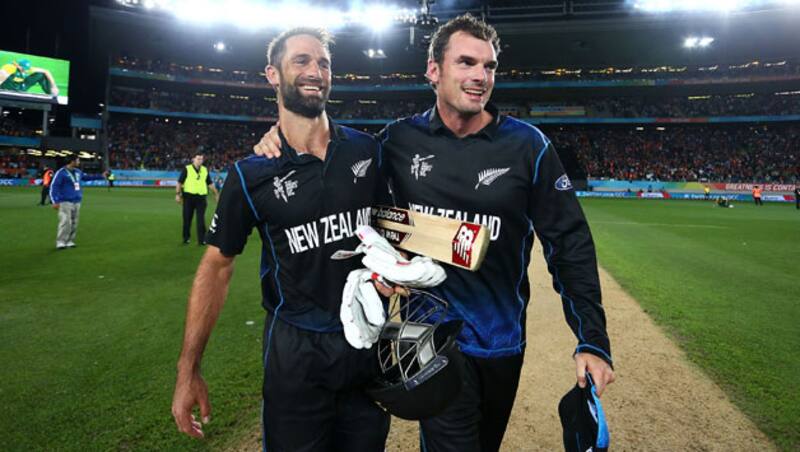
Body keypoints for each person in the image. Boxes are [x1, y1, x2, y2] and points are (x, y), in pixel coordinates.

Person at [254, 14, 615, 452]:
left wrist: (592, 338)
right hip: (433, 341)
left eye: (490, 66)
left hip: (502, 341)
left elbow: (569, 242)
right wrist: (281, 138)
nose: (481, 76)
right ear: (433, 70)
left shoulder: (528, 147)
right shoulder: (396, 142)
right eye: (466, 63)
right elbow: (342, 188)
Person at [171, 28, 392, 451]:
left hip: (365, 351)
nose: (315, 71)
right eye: (302, 61)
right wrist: (188, 369)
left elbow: (398, 227)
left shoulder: (369, 151)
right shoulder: (251, 175)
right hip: (295, 356)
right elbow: (216, 266)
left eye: (324, 63)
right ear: (272, 74)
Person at [175, 154, 219, 245]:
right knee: (187, 219)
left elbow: (210, 183)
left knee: (201, 219)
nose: (200, 160)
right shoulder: (187, 169)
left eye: (202, 159)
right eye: (198, 159)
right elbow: (179, 182)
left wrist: (216, 194)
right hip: (188, 198)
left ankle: (202, 240)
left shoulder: (204, 170)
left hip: (201, 198)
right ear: (193, 159)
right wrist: (178, 194)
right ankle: (186, 238)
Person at [49, 156, 83, 249]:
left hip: (77, 201)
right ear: (72, 161)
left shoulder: (78, 172)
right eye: (77, 160)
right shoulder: (61, 173)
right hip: (65, 201)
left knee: (74, 222)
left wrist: (101, 175)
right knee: (65, 221)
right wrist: (54, 201)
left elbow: (86, 177)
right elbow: (54, 186)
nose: (79, 162)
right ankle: (61, 241)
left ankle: (70, 240)